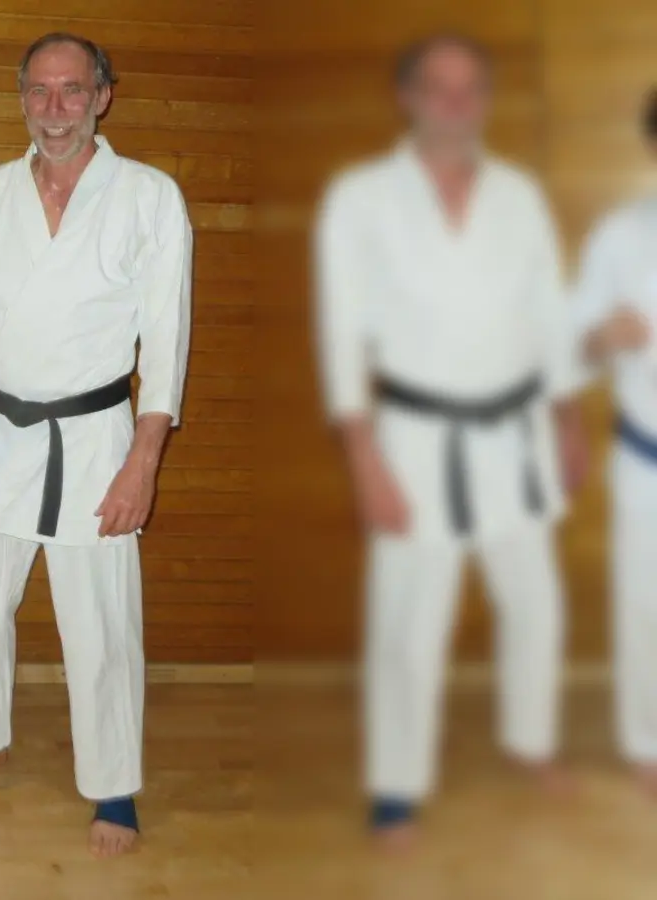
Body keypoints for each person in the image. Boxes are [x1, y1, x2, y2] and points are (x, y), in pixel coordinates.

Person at [0, 33, 192, 859]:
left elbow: (165, 340)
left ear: (103, 96)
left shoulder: (148, 196)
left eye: (73, 91)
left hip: (95, 436)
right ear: (22, 99)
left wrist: (143, 461)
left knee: (99, 622)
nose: (56, 109)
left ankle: (113, 782)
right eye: (40, 92)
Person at [312, 33, 587, 849]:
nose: (458, 105)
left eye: (472, 90)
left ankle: (531, 739)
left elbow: (551, 312)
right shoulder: (362, 198)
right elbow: (340, 335)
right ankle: (396, 784)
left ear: (487, 101)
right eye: (441, 88)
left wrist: (568, 418)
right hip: (414, 436)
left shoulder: (519, 195)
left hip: (517, 429)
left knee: (534, 600)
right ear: (408, 96)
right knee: (408, 616)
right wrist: (363, 457)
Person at [571, 86, 657, 799]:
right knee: (643, 605)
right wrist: (606, 335)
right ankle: (648, 744)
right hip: (645, 456)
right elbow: (572, 344)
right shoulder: (621, 238)